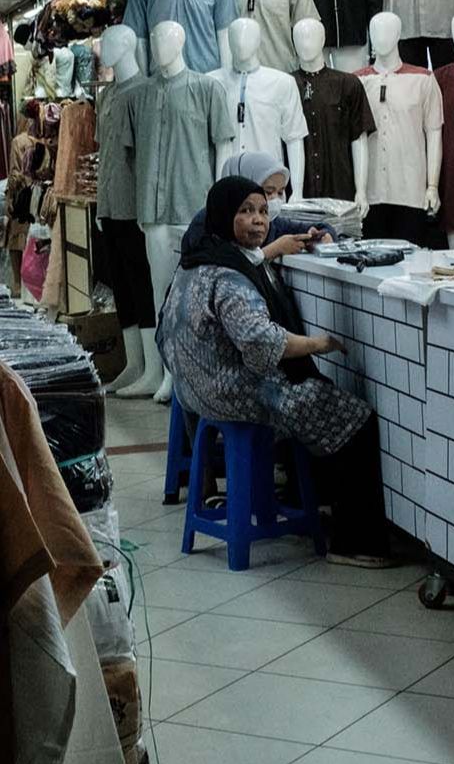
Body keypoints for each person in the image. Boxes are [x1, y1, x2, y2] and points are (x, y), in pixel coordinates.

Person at [158, 176, 393, 567]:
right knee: (357, 420)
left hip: (197, 392)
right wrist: (322, 343)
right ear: (222, 215)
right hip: (237, 392)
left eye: (264, 211)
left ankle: (308, 499)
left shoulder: (199, 259)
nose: (258, 221)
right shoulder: (230, 277)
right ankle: (356, 543)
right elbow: (265, 344)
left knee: (322, 403)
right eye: (246, 211)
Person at [182, 150, 336, 263]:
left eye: (281, 192)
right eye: (268, 192)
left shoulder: (272, 222)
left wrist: (320, 236)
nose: (275, 199)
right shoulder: (208, 221)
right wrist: (273, 250)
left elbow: (322, 227)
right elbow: (217, 265)